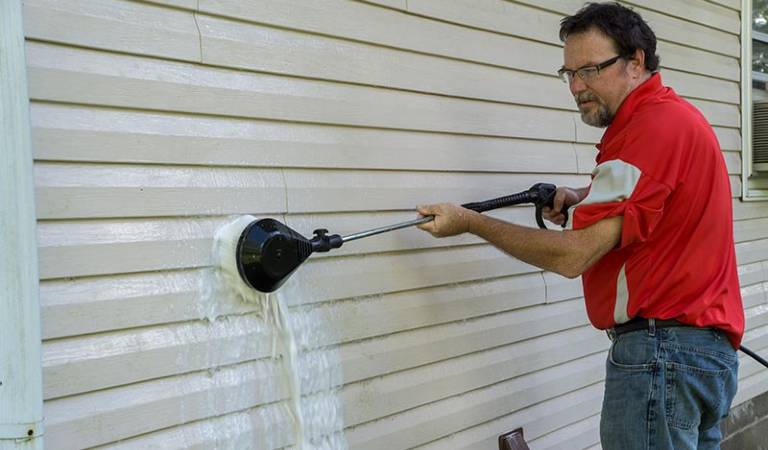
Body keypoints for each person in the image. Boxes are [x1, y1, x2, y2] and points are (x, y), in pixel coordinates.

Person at [415, 3, 744, 449]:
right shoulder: (672, 119)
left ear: (635, 62)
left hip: (662, 356)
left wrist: (473, 223)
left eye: (589, 70)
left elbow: (574, 256)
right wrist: (581, 197)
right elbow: (655, 204)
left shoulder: (648, 131)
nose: (576, 87)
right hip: (702, 358)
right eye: (568, 73)